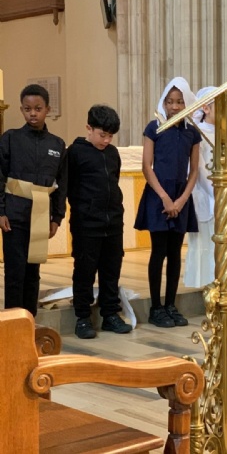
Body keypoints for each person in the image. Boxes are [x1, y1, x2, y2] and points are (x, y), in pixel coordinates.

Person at [134, 77, 201, 328]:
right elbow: (146, 166)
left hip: (181, 197)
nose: (174, 107)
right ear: (164, 102)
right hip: (158, 195)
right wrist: (164, 197)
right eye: (170, 102)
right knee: (159, 251)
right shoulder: (154, 127)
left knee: (175, 254)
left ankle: (171, 305)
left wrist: (181, 200)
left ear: (187, 103)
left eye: (180, 102)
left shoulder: (192, 133)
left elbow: (194, 171)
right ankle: (156, 308)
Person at [0, 84, 67, 317]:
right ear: (21, 109)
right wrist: (1, 211)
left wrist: (57, 217)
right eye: (27, 109)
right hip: (14, 215)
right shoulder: (10, 139)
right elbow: (0, 176)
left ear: (47, 109)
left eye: (38, 108)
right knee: (15, 270)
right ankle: (12, 321)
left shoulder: (57, 145)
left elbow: (61, 185)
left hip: (40, 215)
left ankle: (30, 320)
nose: (33, 114)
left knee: (33, 271)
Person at [67, 105, 132, 339]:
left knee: (111, 269)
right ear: (89, 128)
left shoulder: (112, 153)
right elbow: (69, 188)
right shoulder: (75, 152)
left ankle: (110, 314)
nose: (106, 140)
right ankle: (83, 317)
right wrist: (85, 211)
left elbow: (113, 181)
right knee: (85, 270)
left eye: (110, 136)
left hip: (113, 222)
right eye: (102, 134)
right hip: (86, 224)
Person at [184, 87, 227, 289]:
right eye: (219, 106)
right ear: (205, 108)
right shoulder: (197, 134)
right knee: (208, 242)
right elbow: (198, 169)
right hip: (207, 197)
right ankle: (209, 286)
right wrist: (216, 194)